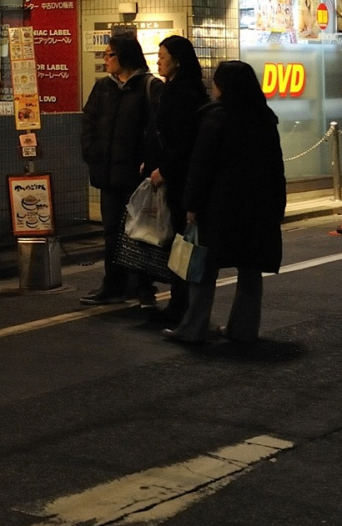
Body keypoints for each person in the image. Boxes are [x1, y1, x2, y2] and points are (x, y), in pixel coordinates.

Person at [163, 60, 286, 345]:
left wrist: (192, 203)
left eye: (216, 81)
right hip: (257, 206)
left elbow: (201, 164)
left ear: (223, 86)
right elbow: (275, 167)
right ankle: (243, 330)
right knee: (250, 268)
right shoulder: (264, 117)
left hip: (219, 207)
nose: (212, 86)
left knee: (204, 267)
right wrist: (277, 204)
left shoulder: (215, 117)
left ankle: (193, 328)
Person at [80, 34, 161, 307]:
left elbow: (158, 130)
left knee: (141, 233)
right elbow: (88, 122)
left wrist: (149, 162)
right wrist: (91, 153)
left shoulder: (149, 87)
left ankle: (142, 286)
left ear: (125, 56)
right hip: (108, 175)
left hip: (138, 178)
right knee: (112, 232)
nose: (105, 59)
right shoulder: (103, 87)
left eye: (109, 54)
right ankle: (113, 284)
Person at [144, 36, 209, 323]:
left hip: (181, 180)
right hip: (173, 175)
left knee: (182, 242)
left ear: (178, 60)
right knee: (176, 241)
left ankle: (181, 307)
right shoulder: (173, 88)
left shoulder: (184, 93)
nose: (158, 61)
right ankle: (180, 304)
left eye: (162, 56)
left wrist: (165, 169)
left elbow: (184, 142)